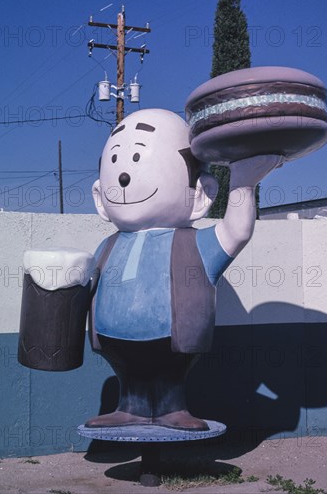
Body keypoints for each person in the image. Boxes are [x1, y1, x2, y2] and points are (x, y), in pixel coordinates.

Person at [86, 108, 283, 430]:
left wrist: (243, 183)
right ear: (99, 196)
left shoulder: (195, 244)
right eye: (117, 163)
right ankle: (130, 405)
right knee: (128, 372)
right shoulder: (107, 246)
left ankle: (171, 407)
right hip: (113, 337)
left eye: (138, 161)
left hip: (173, 337)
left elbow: (236, 231)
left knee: (169, 372)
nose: (124, 177)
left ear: (202, 194)